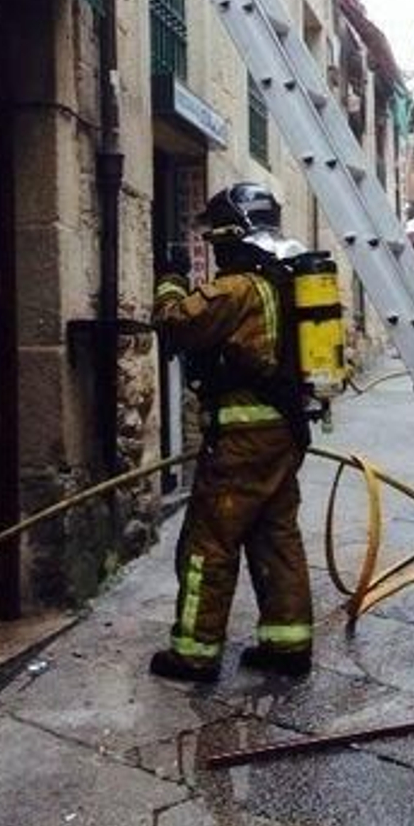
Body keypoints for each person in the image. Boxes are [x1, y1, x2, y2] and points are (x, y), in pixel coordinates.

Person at [149, 182, 314, 683]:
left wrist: (171, 282)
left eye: (218, 241)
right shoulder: (288, 283)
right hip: (284, 435)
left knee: (210, 541)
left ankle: (194, 653)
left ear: (233, 237)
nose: (216, 250)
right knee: (276, 536)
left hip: (241, 442)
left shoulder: (236, 289)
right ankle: (288, 643)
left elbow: (176, 323)